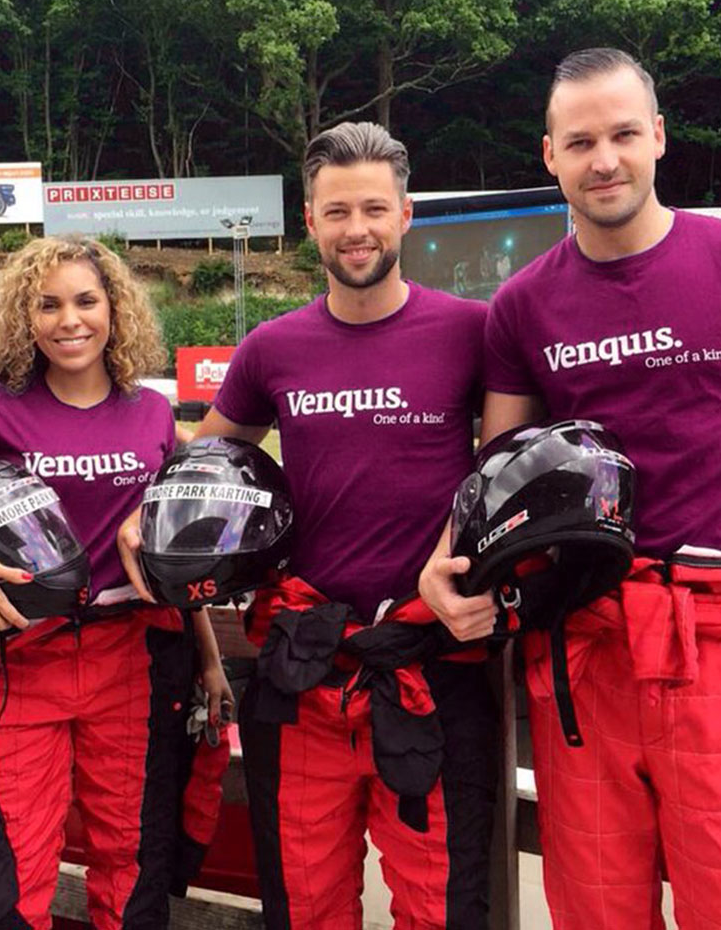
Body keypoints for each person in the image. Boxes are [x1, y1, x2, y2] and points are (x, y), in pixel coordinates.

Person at [120, 121, 498, 929]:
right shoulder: (273, 346)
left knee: (442, 910)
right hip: (304, 669)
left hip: (432, 662)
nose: (354, 229)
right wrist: (135, 513)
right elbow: (198, 468)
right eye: (335, 211)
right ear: (310, 222)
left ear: (405, 215)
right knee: (305, 905)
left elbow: (506, 470)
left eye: (372, 208)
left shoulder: (471, 332)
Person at [419, 47, 721, 929]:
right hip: (586, 641)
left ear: (659, 137)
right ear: (548, 154)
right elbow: (501, 465)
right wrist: (446, 563)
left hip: (713, 631)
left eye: (625, 133)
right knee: (595, 907)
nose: (605, 159)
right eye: (580, 140)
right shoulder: (523, 304)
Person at [0, 236, 232, 930]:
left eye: (86, 300)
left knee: (135, 857)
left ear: (115, 309)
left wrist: (209, 657)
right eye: (48, 304)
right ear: (25, 319)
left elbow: (171, 553)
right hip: (23, 660)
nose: (69, 320)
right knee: (12, 867)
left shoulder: (150, 412)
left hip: (135, 657)